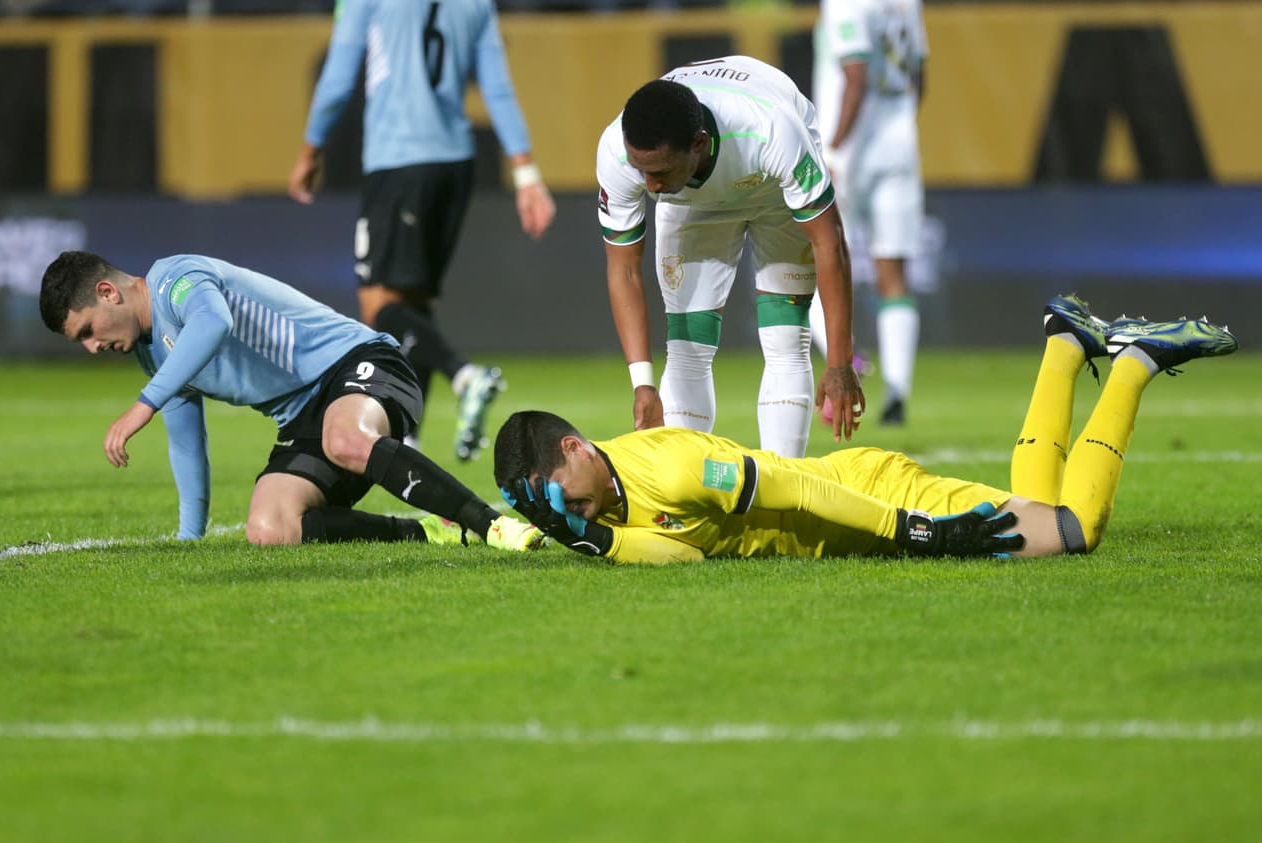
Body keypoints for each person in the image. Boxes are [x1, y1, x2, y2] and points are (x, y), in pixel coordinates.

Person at [492, 294, 1237, 564]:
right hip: (869, 517)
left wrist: (918, 530)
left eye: (555, 492)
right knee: (1035, 508)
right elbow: (681, 562)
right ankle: (1067, 343)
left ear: (574, 447)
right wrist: (591, 539)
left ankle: (1135, 360)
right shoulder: (603, 514)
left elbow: (793, 483)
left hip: (876, 495)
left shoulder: (676, 466)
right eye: (545, 508)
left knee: (1074, 531)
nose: (560, 509)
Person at [39, 250, 544, 551]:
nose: (92, 347)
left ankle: (491, 524)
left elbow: (213, 322)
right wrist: (189, 540)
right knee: (269, 527)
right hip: (302, 416)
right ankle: (432, 532)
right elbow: (189, 445)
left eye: (87, 331)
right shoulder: (153, 358)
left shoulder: (177, 280)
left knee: (344, 436)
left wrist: (140, 407)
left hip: (359, 364)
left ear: (108, 292)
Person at [288, 0, 556, 461]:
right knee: (413, 305)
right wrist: (526, 172)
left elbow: (337, 78)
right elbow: (496, 86)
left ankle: (463, 375)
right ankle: (409, 438)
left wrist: (311, 149)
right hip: (455, 166)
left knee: (380, 304)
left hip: (399, 162)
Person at [596, 55, 866, 459]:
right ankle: (687, 500)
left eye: (660, 171)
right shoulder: (618, 152)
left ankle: (783, 495)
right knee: (686, 346)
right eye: (642, 171)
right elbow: (624, 270)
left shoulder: (771, 129)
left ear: (699, 144)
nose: (650, 185)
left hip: (773, 191)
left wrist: (841, 363)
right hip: (691, 203)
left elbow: (829, 242)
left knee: (787, 338)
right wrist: (642, 384)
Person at [811, 0, 929, 426]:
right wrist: (898, 126)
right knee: (893, 273)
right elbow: (919, 75)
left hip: (850, 152)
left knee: (812, 260)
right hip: (899, 147)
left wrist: (834, 149)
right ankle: (897, 392)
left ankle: (847, 357)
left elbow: (854, 80)